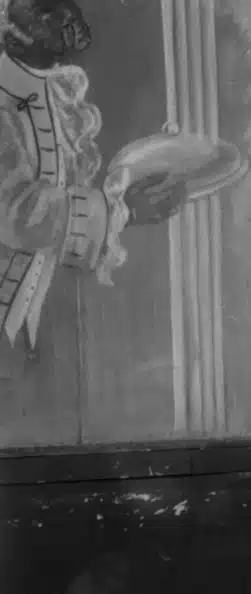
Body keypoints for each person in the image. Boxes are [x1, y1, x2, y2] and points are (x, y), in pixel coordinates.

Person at [0, 0, 185, 352]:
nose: (70, 19)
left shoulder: (51, 87)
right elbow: (17, 214)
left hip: (35, 309)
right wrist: (121, 211)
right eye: (48, 11)